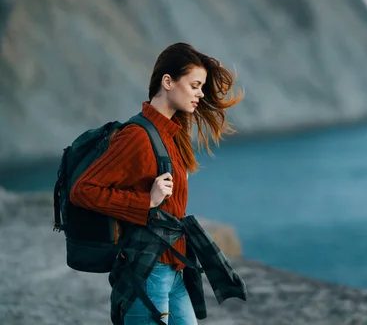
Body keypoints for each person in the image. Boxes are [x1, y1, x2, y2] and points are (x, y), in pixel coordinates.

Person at [70, 42, 244, 324]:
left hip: (175, 269)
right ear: (168, 81)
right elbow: (83, 191)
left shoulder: (172, 134)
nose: (200, 94)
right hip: (148, 270)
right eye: (195, 85)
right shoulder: (137, 136)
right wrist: (146, 202)